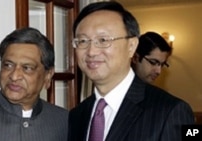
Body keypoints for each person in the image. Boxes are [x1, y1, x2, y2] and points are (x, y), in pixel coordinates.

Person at [68, 1, 194, 141]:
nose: (91, 51)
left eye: (103, 40)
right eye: (83, 41)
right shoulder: (77, 115)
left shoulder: (171, 111)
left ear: (131, 46)